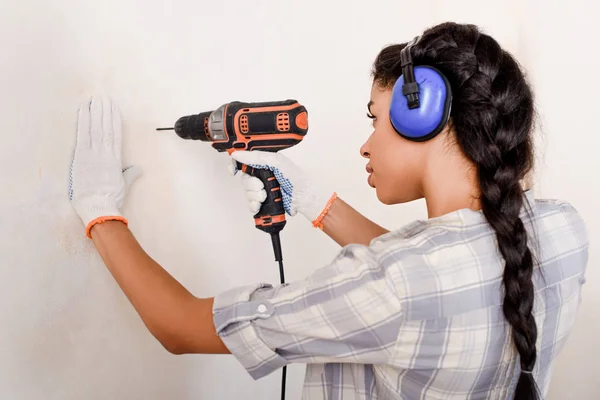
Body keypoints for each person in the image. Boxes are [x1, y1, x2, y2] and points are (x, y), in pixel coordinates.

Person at [68, 22, 588, 399]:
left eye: (375, 119)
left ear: (420, 115)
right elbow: (443, 280)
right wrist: (315, 203)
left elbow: (177, 326)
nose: (365, 146)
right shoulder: (564, 230)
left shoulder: (395, 287)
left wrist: (100, 213)